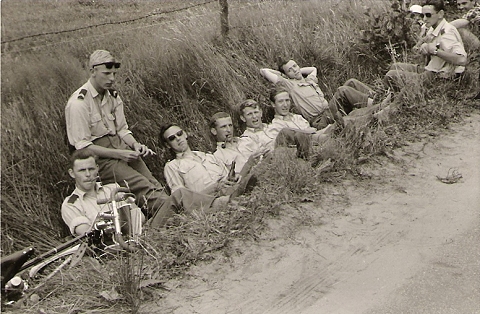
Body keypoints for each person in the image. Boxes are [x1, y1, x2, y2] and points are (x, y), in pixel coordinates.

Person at [66, 50, 172, 218]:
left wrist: (135, 145)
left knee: (152, 182)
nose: (112, 79)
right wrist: (120, 154)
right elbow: (83, 147)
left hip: (120, 147)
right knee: (142, 186)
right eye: (107, 73)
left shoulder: (113, 96)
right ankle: (176, 213)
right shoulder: (78, 103)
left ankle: (173, 211)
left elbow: (122, 129)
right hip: (100, 158)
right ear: (92, 71)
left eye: (114, 74)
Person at [260, 59, 388, 130]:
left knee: (351, 82)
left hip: (330, 111)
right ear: (286, 75)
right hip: (320, 120)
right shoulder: (289, 85)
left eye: (295, 66)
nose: (295, 69)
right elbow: (264, 71)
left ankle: (379, 96)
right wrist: (283, 75)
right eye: (290, 70)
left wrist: (298, 71)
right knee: (342, 91)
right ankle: (379, 106)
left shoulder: (309, 80)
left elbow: (313, 69)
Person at [384, 0, 468, 91]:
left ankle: (391, 100)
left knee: (391, 75)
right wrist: (423, 47)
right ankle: (392, 97)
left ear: (440, 14)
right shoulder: (434, 28)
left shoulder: (447, 33)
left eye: (428, 15)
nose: (424, 19)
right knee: (395, 66)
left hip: (440, 77)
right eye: (422, 15)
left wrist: (435, 51)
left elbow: (462, 60)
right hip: (432, 69)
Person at [61, 148, 145, 237]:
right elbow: (88, 234)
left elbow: (140, 217)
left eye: (91, 169)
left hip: (135, 240)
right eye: (82, 170)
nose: (88, 174)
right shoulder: (71, 205)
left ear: (97, 168)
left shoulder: (114, 189)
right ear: (72, 173)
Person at [159, 123, 241, 199]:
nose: (178, 138)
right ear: (167, 145)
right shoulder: (172, 166)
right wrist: (215, 188)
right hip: (210, 202)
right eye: (172, 138)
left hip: (232, 192)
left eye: (179, 134)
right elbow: (183, 200)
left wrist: (235, 177)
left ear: (185, 134)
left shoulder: (208, 156)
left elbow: (228, 177)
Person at [238, 99, 312, 160]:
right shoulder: (246, 139)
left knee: (299, 134)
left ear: (260, 113)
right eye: (249, 114)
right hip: (273, 159)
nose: (254, 116)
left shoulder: (273, 126)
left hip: (290, 151)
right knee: (285, 131)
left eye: (256, 112)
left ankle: (305, 156)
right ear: (243, 118)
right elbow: (250, 162)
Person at [268, 86, 334, 145]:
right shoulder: (274, 126)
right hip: (302, 149)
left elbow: (313, 132)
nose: (285, 105)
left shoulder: (297, 117)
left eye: (287, 100)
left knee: (337, 124)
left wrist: (327, 129)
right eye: (280, 101)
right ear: (273, 104)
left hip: (316, 141)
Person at [209, 111, 263, 176]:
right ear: (214, 131)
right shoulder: (218, 156)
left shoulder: (247, 140)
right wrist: (248, 165)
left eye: (230, 125)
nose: (229, 130)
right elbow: (232, 183)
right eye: (223, 127)